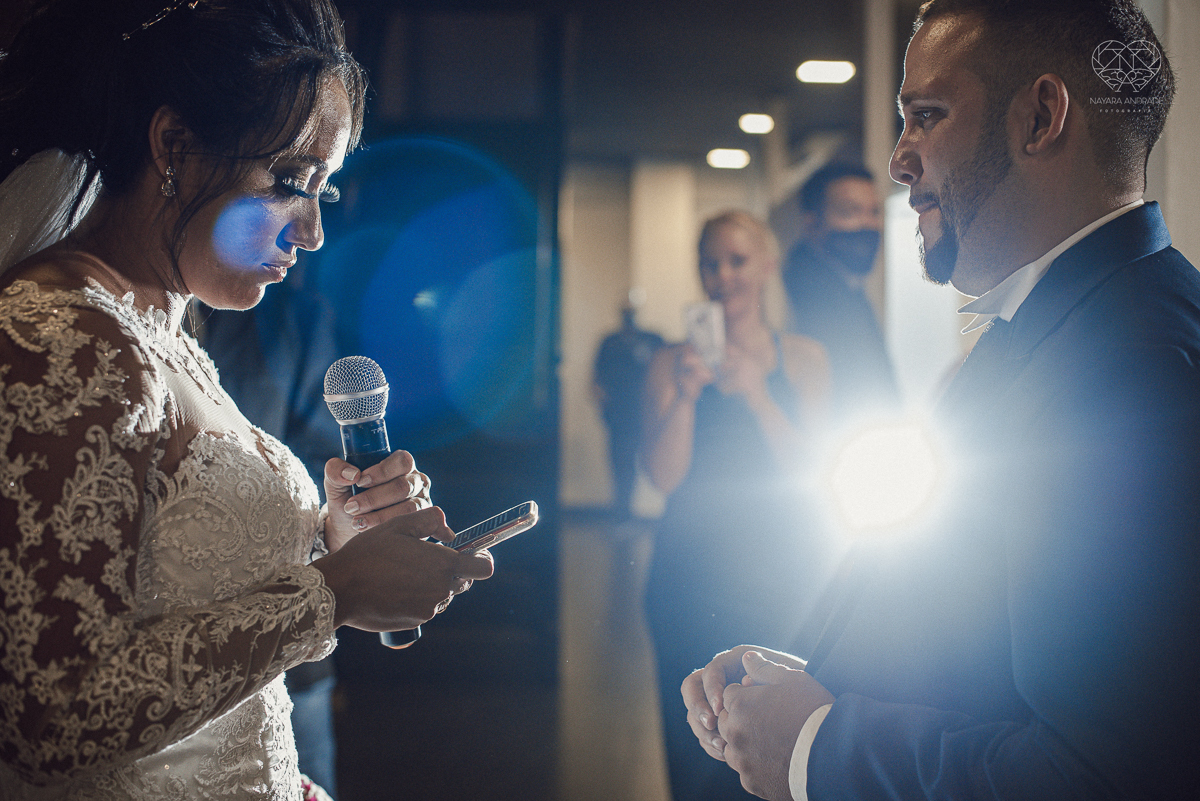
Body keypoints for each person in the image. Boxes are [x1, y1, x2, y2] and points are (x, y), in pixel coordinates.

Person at [681, 1, 1200, 799]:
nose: (898, 160)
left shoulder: (1133, 369)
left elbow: (1106, 771)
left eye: (926, 117)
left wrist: (819, 744)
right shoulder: (1047, 325)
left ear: (1040, 117)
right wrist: (800, 683)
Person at [0, 1, 494, 799]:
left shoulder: (163, 329)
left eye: (323, 194)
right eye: (290, 181)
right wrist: (336, 593)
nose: (312, 231)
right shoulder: (67, 336)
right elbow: (52, 718)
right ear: (174, 146)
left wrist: (338, 539)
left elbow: (171, 587)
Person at [640, 211, 830, 801]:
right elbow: (664, 478)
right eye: (710, 263)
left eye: (737, 260)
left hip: (784, 579)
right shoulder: (671, 363)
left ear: (767, 265)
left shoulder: (803, 359)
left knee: (781, 746)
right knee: (698, 749)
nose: (723, 276)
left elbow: (814, 472)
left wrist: (756, 394)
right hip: (689, 577)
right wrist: (689, 398)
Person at [195, 277, 346, 796]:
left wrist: (342, 525)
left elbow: (320, 456)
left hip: (287, 659)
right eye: (287, 188)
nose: (311, 234)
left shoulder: (294, 317)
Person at [782, 163, 899, 418]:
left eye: (874, 212)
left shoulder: (846, 284)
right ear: (812, 223)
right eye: (850, 212)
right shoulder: (801, 290)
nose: (868, 225)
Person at [593, 304, 664, 519]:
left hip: (645, 415)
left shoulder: (652, 340)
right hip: (619, 417)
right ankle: (623, 514)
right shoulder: (610, 342)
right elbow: (596, 381)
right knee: (621, 468)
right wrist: (604, 408)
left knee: (655, 463)